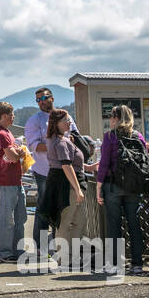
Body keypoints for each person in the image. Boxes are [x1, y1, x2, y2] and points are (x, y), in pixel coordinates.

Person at [95, 105, 147, 275]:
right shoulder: (138, 136)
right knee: (134, 223)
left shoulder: (110, 137)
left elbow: (103, 164)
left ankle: (116, 264)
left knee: (114, 225)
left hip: (113, 185)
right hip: (133, 186)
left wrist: (99, 186)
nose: (109, 119)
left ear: (116, 118)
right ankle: (137, 263)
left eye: (111, 116)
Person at [39, 108, 91, 263]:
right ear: (56, 123)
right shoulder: (60, 142)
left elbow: (74, 164)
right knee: (67, 221)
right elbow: (66, 166)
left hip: (72, 182)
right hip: (66, 185)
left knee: (80, 221)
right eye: (65, 121)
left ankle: (72, 256)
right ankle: (64, 257)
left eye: (69, 120)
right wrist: (77, 189)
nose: (69, 123)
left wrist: (90, 167)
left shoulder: (63, 139)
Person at [0, 101, 26, 263]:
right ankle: (3, 252)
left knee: (20, 217)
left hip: (15, 180)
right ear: (4, 116)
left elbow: (14, 154)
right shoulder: (2, 134)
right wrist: (20, 153)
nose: (13, 117)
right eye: (11, 115)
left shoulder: (6, 133)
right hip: (6, 181)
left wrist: (18, 152)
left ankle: (17, 250)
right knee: (7, 218)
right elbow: (12, 156)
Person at [24, 87, 55, 253]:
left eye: (43, 97)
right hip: (43, 170)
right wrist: (57, 145)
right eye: (38, 100)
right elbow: (35, 146)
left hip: (63, 169)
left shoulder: (65, 116)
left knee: (62, 208)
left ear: (52, 98)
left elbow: (74, 137)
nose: (41, 101)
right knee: (43, 207)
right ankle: (40, 247)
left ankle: (58, 244)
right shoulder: (34, 121)